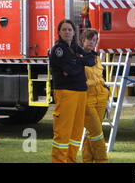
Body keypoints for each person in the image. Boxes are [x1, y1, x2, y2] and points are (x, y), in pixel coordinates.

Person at [50, 19, 96, 163]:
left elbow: (92, 60)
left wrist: (77, 61)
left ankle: (71, 160)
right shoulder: (58, 50)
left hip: (81, 92)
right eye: (64, 29)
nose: (67, 32)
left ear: (74, 32)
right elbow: (71, 70)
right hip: (66, 93)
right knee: (63, 132)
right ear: (59, 32)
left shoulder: (75, 47)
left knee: (76, 132)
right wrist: (79, 62)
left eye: (70, 29)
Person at [80, 28, 109, 163]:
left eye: (94, 40)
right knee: (97, 132)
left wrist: (105, 90)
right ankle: (102, 160)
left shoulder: (96, 57)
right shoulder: (78, 57)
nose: (92, 42)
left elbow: (100, 76)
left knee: (92, 131)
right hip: (87, 97)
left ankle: (87, 160)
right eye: (89, 39)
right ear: (82, 40)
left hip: (101, 95)